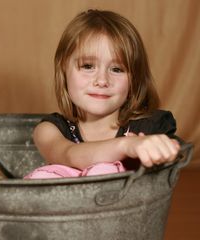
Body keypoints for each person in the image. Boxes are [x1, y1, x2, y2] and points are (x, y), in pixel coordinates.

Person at [24, 9, 180, 179]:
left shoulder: (151, 127)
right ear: (63, 70)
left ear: (134, 80)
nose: (102, 80)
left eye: (117, 69)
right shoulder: (50, 130)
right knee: (43, 176)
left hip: (127, 205)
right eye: (88, 66)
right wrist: (126, 146)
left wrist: (162, 149)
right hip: (62, 205)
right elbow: (69, 154)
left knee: (106, 171)